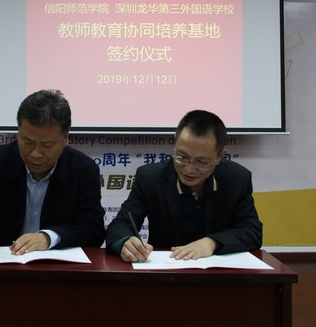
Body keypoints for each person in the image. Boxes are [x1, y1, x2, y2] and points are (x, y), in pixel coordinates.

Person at [0, 89, 105, 254]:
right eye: (27, 142)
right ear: (18, 133)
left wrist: (48, 238)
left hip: (56, 266)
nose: (35, 153)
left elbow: (94, 230)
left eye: (47, 145)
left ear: (65, 139)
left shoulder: (83, 169)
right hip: (2, 263)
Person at [106, 109, 262, 262]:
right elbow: (120, 224)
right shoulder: (150, 178)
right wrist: (125, 242)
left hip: (218, 273)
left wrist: (212, 243)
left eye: (202, 162)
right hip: (166, 270)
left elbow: (252, 231)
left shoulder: (237, 179)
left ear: (220, 156)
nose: (189, 169)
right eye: (182, 157)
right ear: (175, 142)